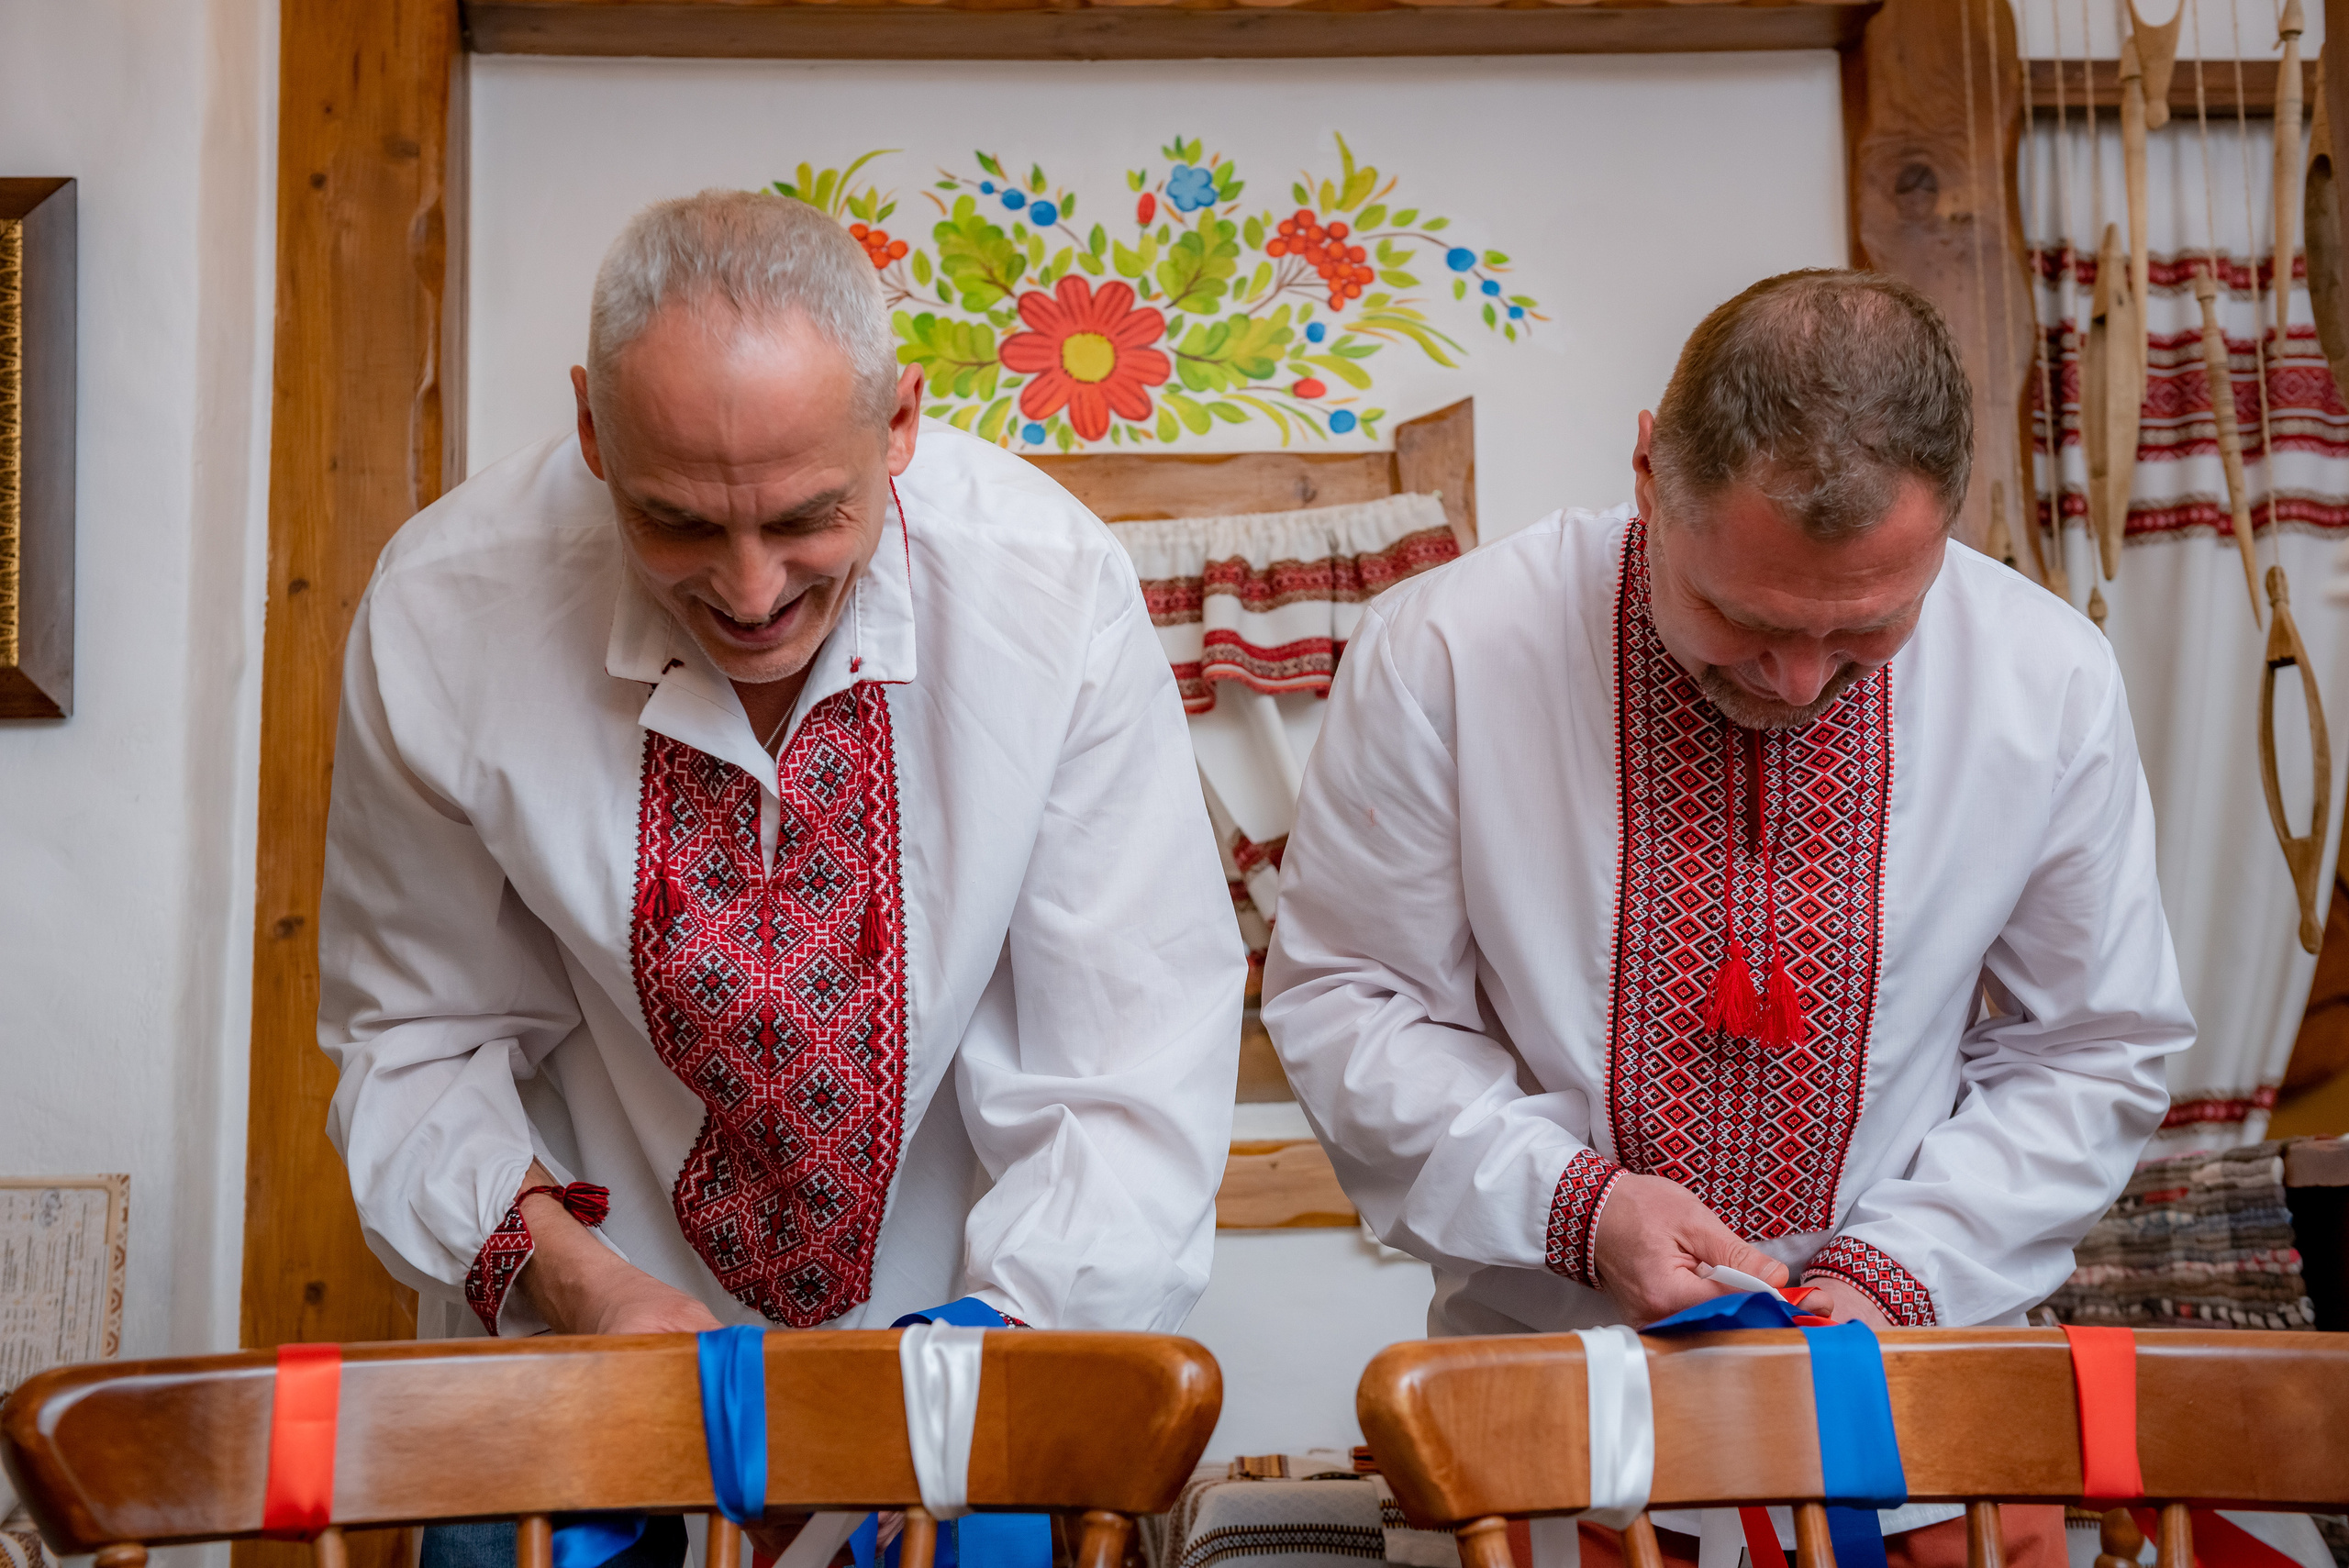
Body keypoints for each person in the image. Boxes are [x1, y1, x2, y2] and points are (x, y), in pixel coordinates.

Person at [317, 190, 1242, 1568]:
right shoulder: (447, 609)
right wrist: (584, 1292)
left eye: (808, 518)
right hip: (579, 1364)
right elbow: (415, 1041)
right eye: (678, 524)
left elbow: (1128, 1067)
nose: (750, 593)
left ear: (901, 424)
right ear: (591, 432)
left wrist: (957, 1371)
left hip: (975, 1357)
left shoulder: (1053, 597)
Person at [1260, 271, 2191, 1568]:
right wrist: (1580, 1208)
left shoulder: (2048, 678)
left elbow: (2091, 1045)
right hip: (1558, 1420)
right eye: (1744, 620)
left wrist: (1895, 1272)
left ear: (1947, 522)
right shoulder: (1448, 652)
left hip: (1924, 1416)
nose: (1799, 682)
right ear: (1649, 473)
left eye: (1867, 632)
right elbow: (1354, 1001)